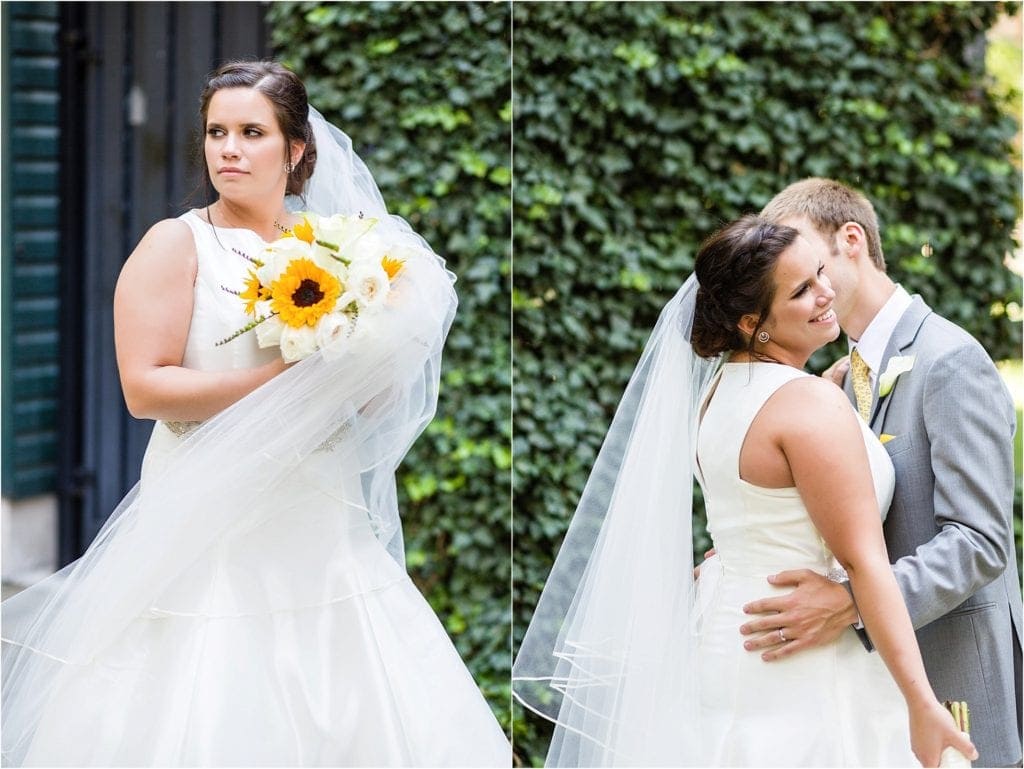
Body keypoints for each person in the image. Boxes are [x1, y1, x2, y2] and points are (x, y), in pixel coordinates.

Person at [1, 60, 510, 766]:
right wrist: (282, 381)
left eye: (250, 132)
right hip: (209, 519)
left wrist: (378, 351)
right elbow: (143, 387)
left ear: (296, 150)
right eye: (216, 132)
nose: (228, 149)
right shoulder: (176, 244)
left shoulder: (336, 249)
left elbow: (366, 397)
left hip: (319, 517)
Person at [512, 215, 977, 766]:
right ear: (755, 324)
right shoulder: (807, 406)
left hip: (730, 638)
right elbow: (865, 563)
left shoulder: (718, 394)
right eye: (802, 291)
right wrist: (922, 705)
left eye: (821, 273)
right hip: (805, 663)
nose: (826, 293)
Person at [736, 178, 1022, 768]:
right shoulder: (843, 374)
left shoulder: (950, 361)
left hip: (954, 674)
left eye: (811, 261)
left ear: (851, 240)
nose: (800, 281)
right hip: (871, 690)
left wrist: (853, 602)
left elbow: (979, 542)